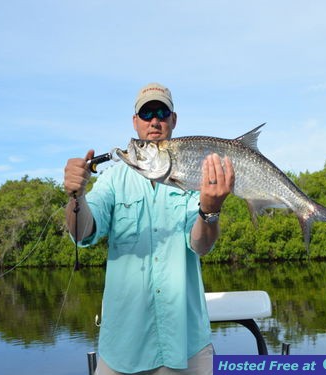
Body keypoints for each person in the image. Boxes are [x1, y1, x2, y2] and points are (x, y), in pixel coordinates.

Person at [64, 83, 235, 375]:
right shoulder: (113, 180)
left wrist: (210, 210)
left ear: (173, 120)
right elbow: (82, 233)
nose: (154, 120)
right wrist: (76, 195)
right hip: (122, 350)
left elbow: (201, 246)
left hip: (188, 345)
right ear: (135, 122)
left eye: (162, 112)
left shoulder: (194, 180)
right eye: (146, 113)